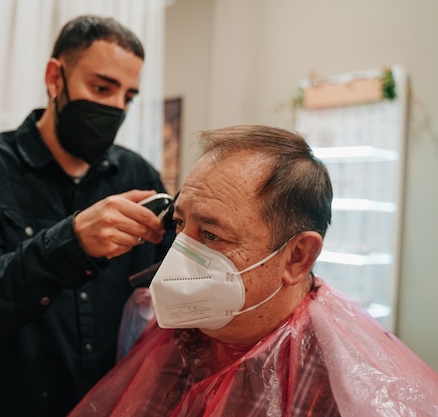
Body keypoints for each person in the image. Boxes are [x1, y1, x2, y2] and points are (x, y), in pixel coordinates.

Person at [68, 125, 438, 417]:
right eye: (180, 225)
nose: (180, 254)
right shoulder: (176, 333)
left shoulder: (345, 385)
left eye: (211, 235)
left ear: (297, 256)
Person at [0, 15, 174, 417]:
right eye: (101, 87)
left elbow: (170, 294)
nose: (115, 107)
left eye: (128, 97)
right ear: (54, 78)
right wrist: (70, 244)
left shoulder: (139, 177)